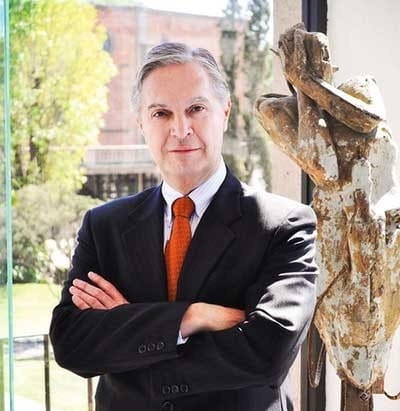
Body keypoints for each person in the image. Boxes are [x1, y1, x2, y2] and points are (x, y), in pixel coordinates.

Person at [50, 42, 318, 411]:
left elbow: (266, 352)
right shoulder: (104, 226)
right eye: (161, 113)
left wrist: (130, 331)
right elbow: (71, 343)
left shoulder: (283, 225)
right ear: (141, 124)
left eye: (196, 109)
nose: (180, 129)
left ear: (224, 112)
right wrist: (192, 317)